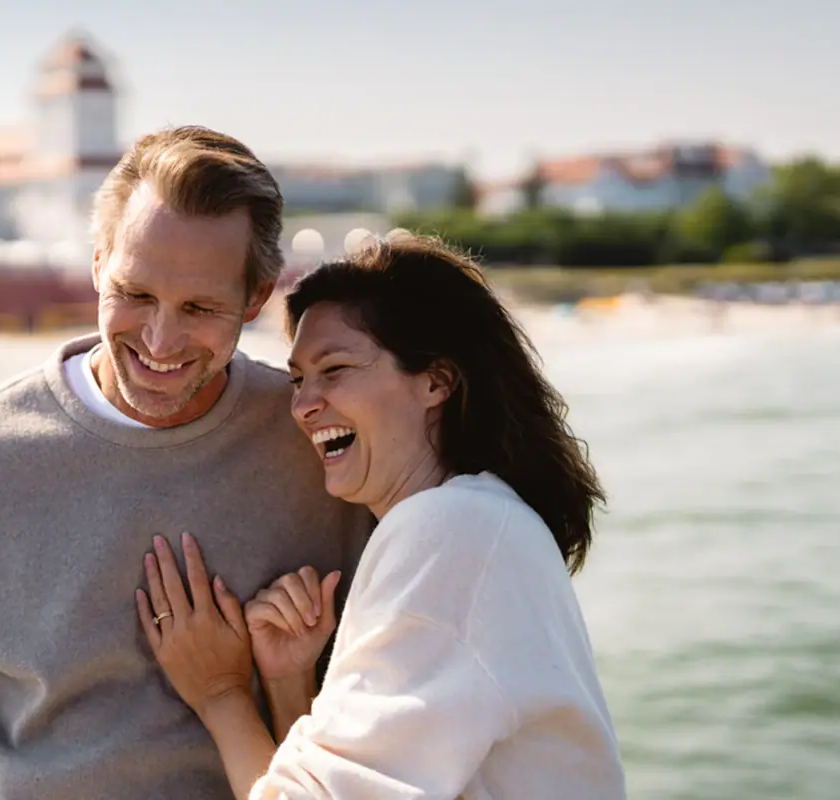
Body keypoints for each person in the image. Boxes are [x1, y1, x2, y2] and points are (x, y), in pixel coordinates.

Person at [0, 125, 372, 799]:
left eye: (200, 307)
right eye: (136, 294)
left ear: (258, 298)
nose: (160, 339)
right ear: (98, 266)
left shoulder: (319, 444)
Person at [138, 233, 626, 799]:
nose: (303, 404)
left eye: (335, 369)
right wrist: (289, 684)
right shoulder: (483, 521)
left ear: (437, 381)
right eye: (298, 379)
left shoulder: (453, 528)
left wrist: (221, 694)